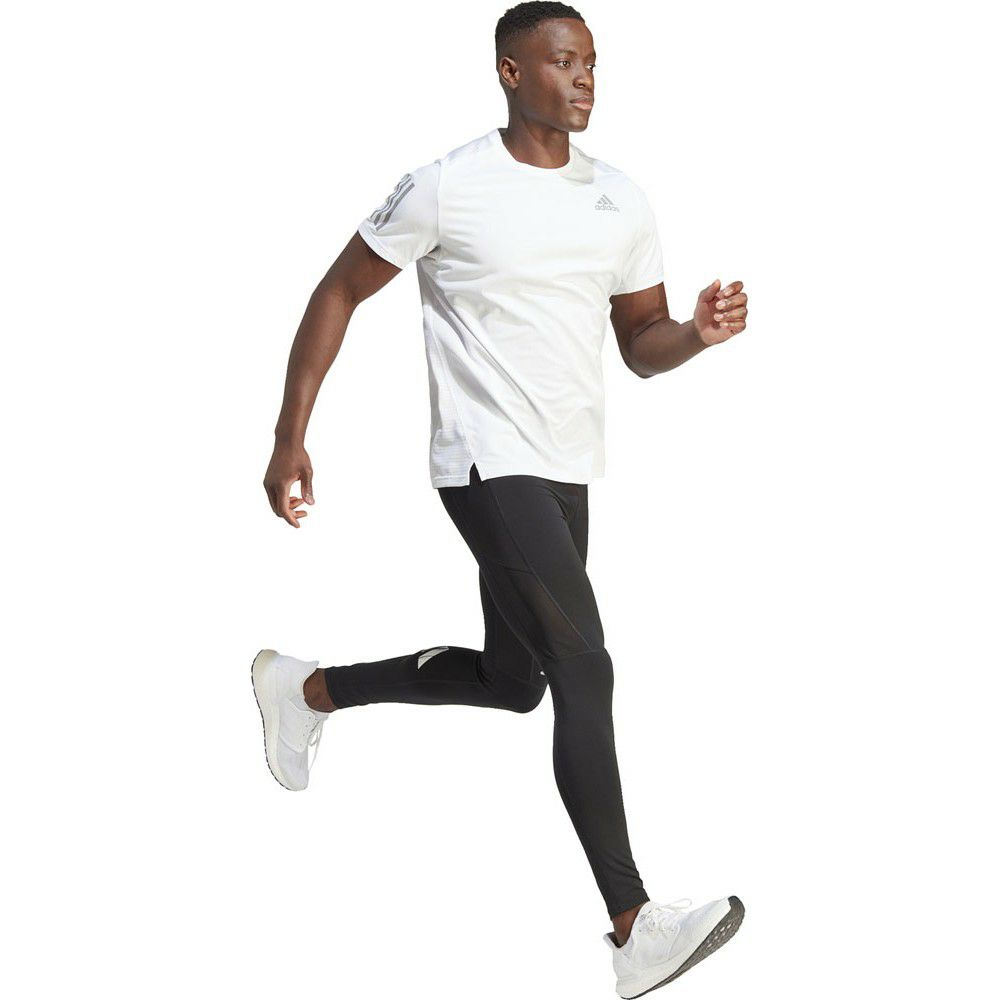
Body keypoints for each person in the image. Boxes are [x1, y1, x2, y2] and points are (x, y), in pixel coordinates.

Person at [252, 3, 749, 995]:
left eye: (592, 62)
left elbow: (640, 345)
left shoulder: (620, 199)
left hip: (565, 467)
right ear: (511, 73)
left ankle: (305, 689)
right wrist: (289, 434)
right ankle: (633, 925)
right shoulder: (449, 184)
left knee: (517, 682)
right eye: (563, 61)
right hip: (484, 463)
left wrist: (694, 334)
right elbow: (338, 289)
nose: (585, 77)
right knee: (584, 662)